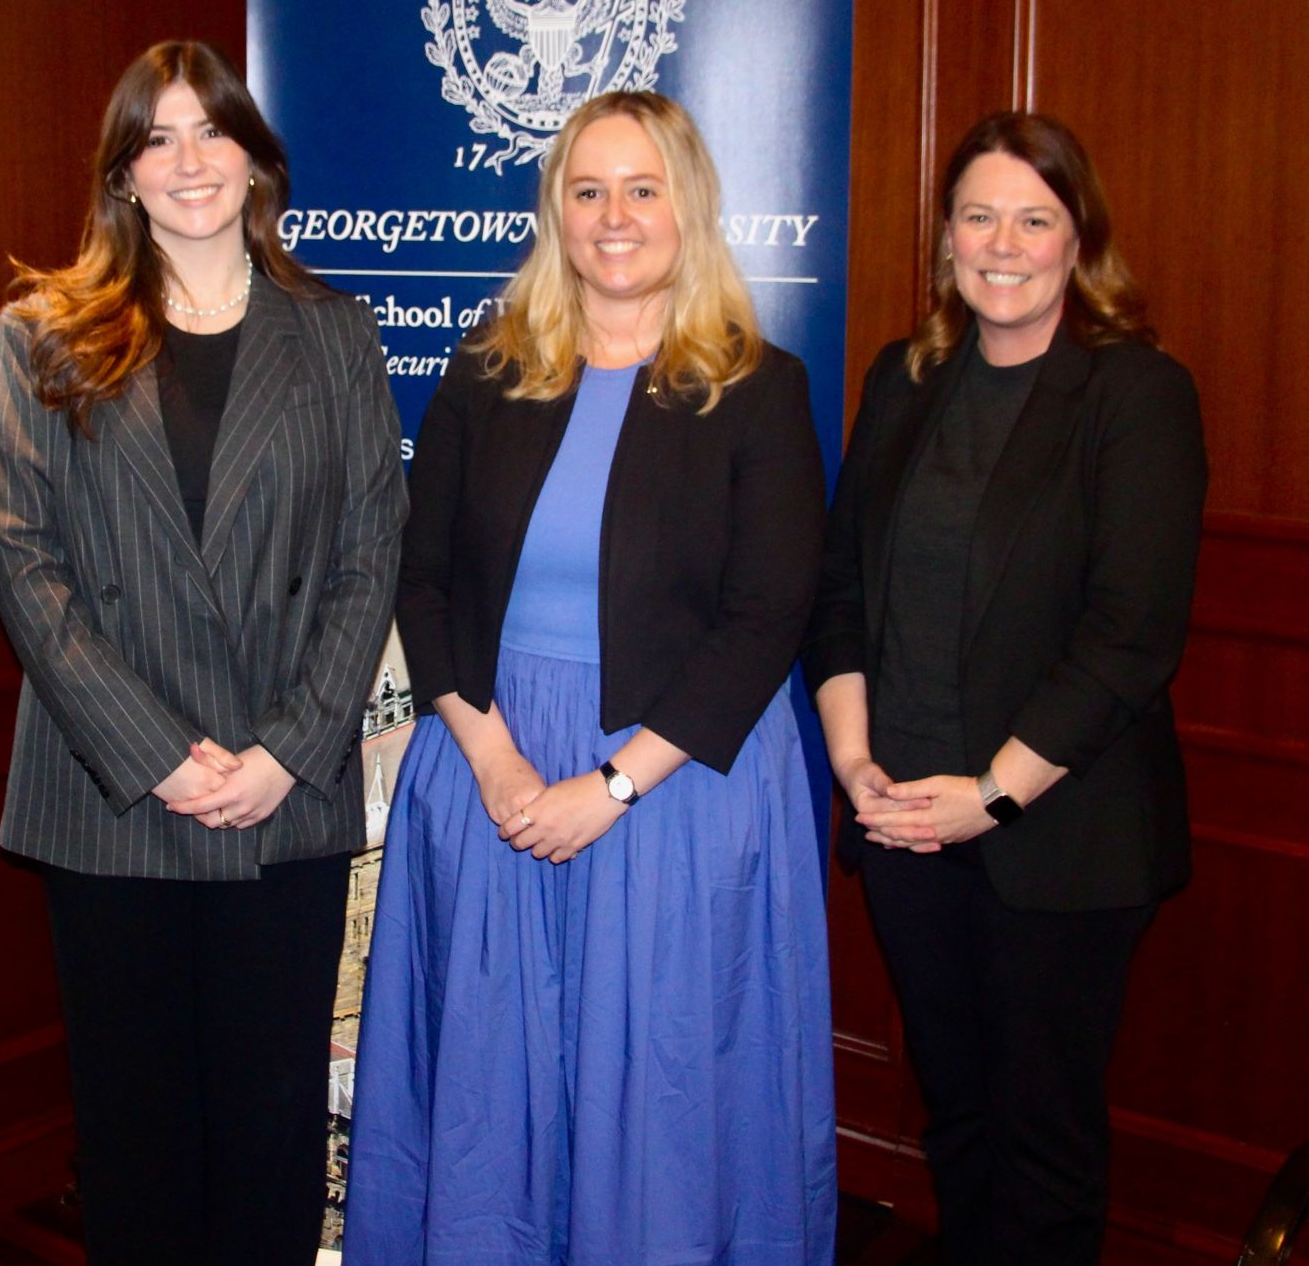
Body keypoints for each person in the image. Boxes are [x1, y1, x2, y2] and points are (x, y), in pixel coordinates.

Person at [345, 90, 835, 1265]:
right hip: (489, 767)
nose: (614, 217)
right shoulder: (486, 369)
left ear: (688, 209)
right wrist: (498, 757)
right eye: (587, 190)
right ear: (555, 214)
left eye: (642, 188)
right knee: (487, 1085)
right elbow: (423, 580)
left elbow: (768, 617)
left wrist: (608, 788)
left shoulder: (758, 386)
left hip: (676, 784)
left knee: (660, 1092)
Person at [0, 40, 405, 1266]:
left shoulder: (334, 335)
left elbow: (368, 556)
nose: (187, 160)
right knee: (137, 1130)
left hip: (283, 793)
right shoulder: (46, 334)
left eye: (209, 131)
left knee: (270, 1125)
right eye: (154, 139)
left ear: (256, 162)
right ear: (121, 175)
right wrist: (161, 755)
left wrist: (286, 749)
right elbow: (24, 560)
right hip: (111, 799)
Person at [803, 112, 1207, 1264]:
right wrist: (852, 761)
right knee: (960, 1124)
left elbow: (1129, 639)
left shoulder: (1135, 395)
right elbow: (841, 588)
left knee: (1042, 1144)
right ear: (944, 240)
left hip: (1054, 834)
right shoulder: (905, 377)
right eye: (977, 216)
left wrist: (988, 793)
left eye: (1033, 219)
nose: (1002, 242)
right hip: (902, 826)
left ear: (1078, 241)